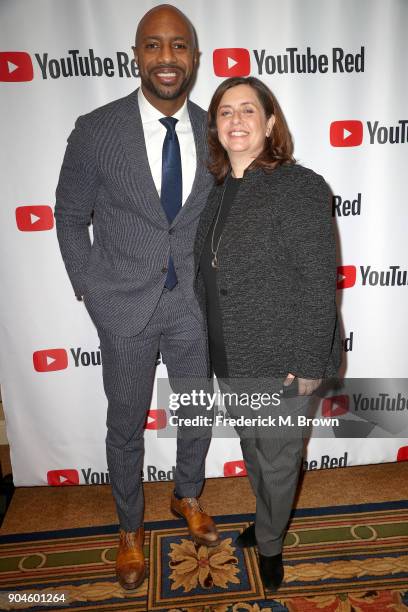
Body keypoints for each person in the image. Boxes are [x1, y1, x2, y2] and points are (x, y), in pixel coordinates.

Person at [55, 4, 219, 591]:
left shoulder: (213, 128)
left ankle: (187, 495)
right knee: (125, 423)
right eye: (154, 46)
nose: (167, 58)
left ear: (195, 59)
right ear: (136, 55)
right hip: (123, 304)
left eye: (178, 47)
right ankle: (129, 527)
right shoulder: (97, 129)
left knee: (197, 409)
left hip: (192, 306)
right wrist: (89, 287)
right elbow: (70, 218)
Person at [194, 76, 341, 592]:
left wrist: (307, 363)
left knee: (278, 460)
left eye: (248, 110)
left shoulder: (299, 186)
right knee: (254, 448)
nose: (236, 120)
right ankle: (266, 520)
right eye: (225, 112)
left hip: (282, 358)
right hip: (229, 356)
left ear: (270, 123)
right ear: (214, 126)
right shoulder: (216, 191)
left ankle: (273, 544)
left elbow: (320, 280)